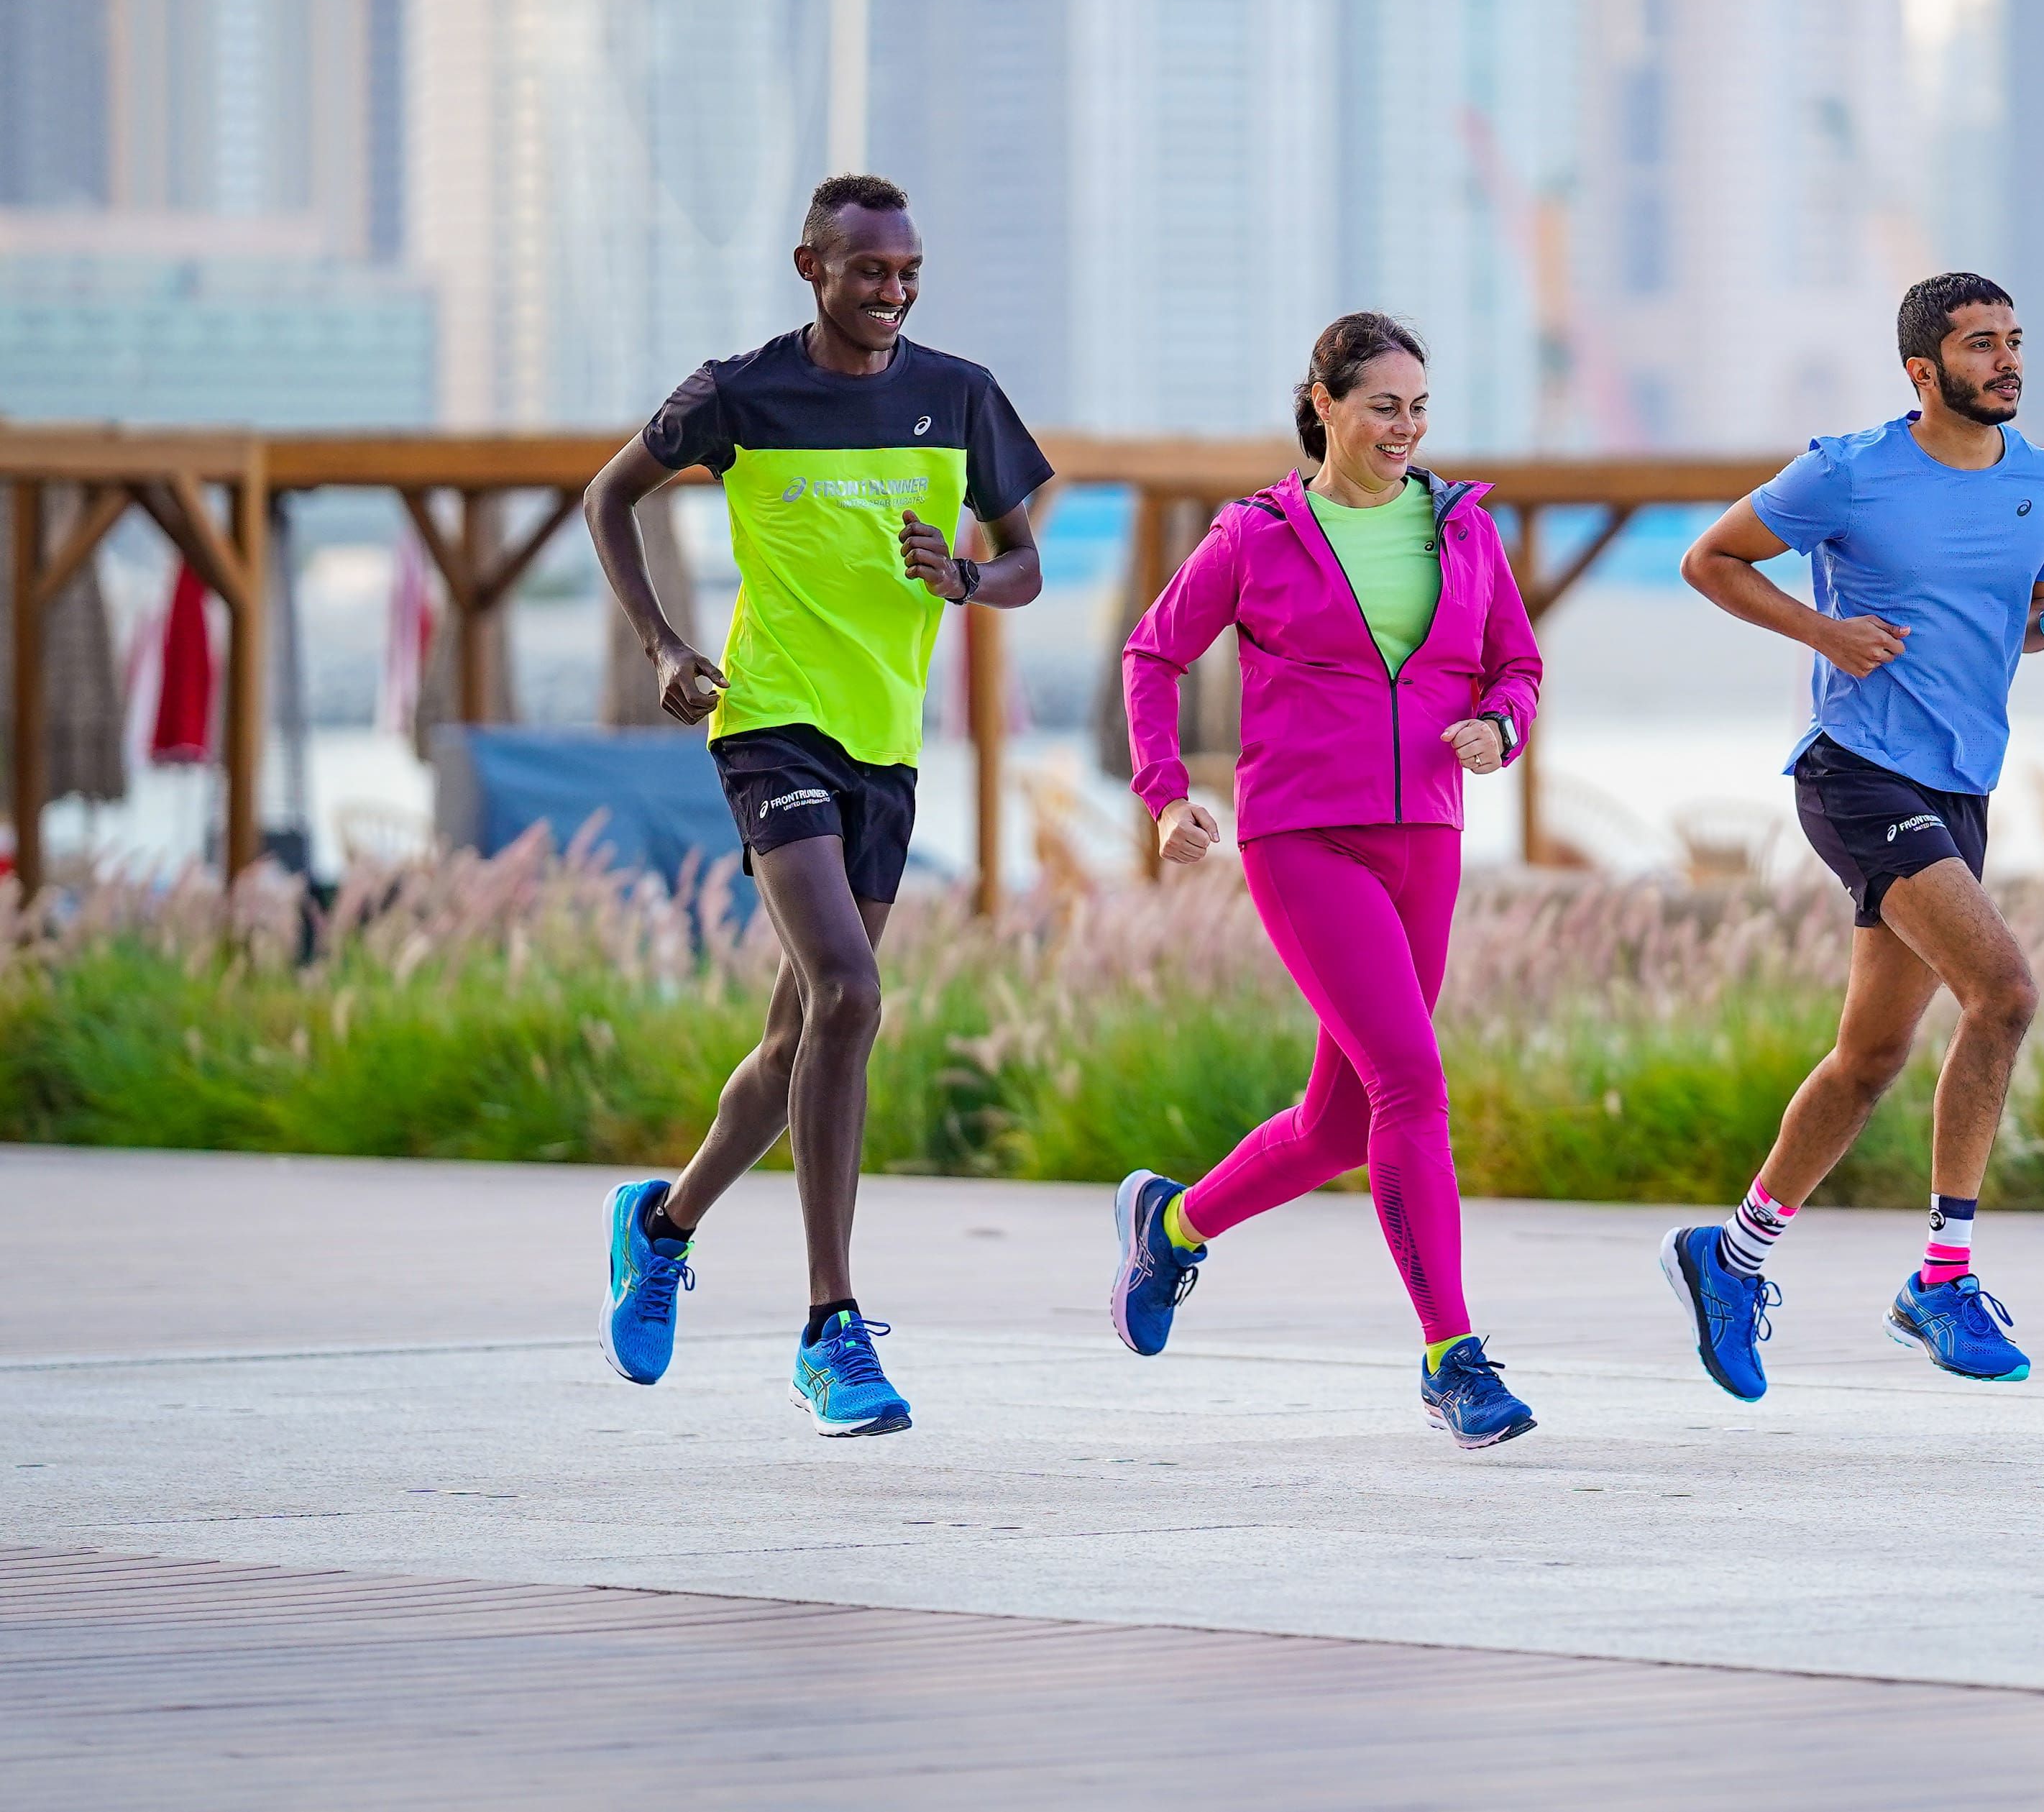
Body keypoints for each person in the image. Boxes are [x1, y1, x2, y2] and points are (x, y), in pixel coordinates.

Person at [586, 173, 1050, 1439]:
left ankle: (663, 1224)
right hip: (770, 720)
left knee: (799, 1040)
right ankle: (830, 1326)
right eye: (867, 271)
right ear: (811, 267)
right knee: (849, 994)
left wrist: (962, 573)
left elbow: (1025, 564)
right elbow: (607, 494)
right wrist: (661, 644)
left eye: (907, 271)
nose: (892, 292)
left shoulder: (956, 393)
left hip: (884, 747)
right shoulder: (739, 390)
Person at [1659, 273, 2044, 1399]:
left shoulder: (2042, 481)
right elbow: (1709, 558)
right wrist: (1823, 630)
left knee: (1869, 1062)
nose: (2006, 361)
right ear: (1922, 369)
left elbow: (2017, 626)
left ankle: (1733, 1253)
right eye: (1979, 345)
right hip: (1856, 771)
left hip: (1961, 786)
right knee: (2003, 992)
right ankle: (1941, 1278)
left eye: (2014, 340)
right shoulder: (1847, 469)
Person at [1105, 313, 1546, 1450]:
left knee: (1339, 1121)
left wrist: (1504, 723)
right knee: (1410, 1080)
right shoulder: (1257, 536)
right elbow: (1153, 652)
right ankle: (1454, 1358)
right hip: (1304, 834)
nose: (1404, 428)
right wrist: (1164, 795)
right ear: (1324, 404)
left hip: (1428, 834)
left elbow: (1516, 662)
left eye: (1417, 408)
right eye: (1382, 405)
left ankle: (1176, 1224)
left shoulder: (1462, 531)